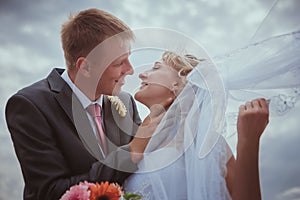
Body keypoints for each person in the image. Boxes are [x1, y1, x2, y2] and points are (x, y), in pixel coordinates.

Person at [5, 8, 170, 200]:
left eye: (129, 59)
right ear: (86, 66)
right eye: (119, 63)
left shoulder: (125, 102)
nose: (131, 70)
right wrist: (132, 151)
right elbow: (51, 192)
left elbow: (143, 170)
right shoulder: (31, 106)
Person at [124, 51, 269, 200]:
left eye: (156, 68)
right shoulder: (137, 139)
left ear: (179, 82)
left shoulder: (206, 142)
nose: (141, 74)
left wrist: (248, 141)